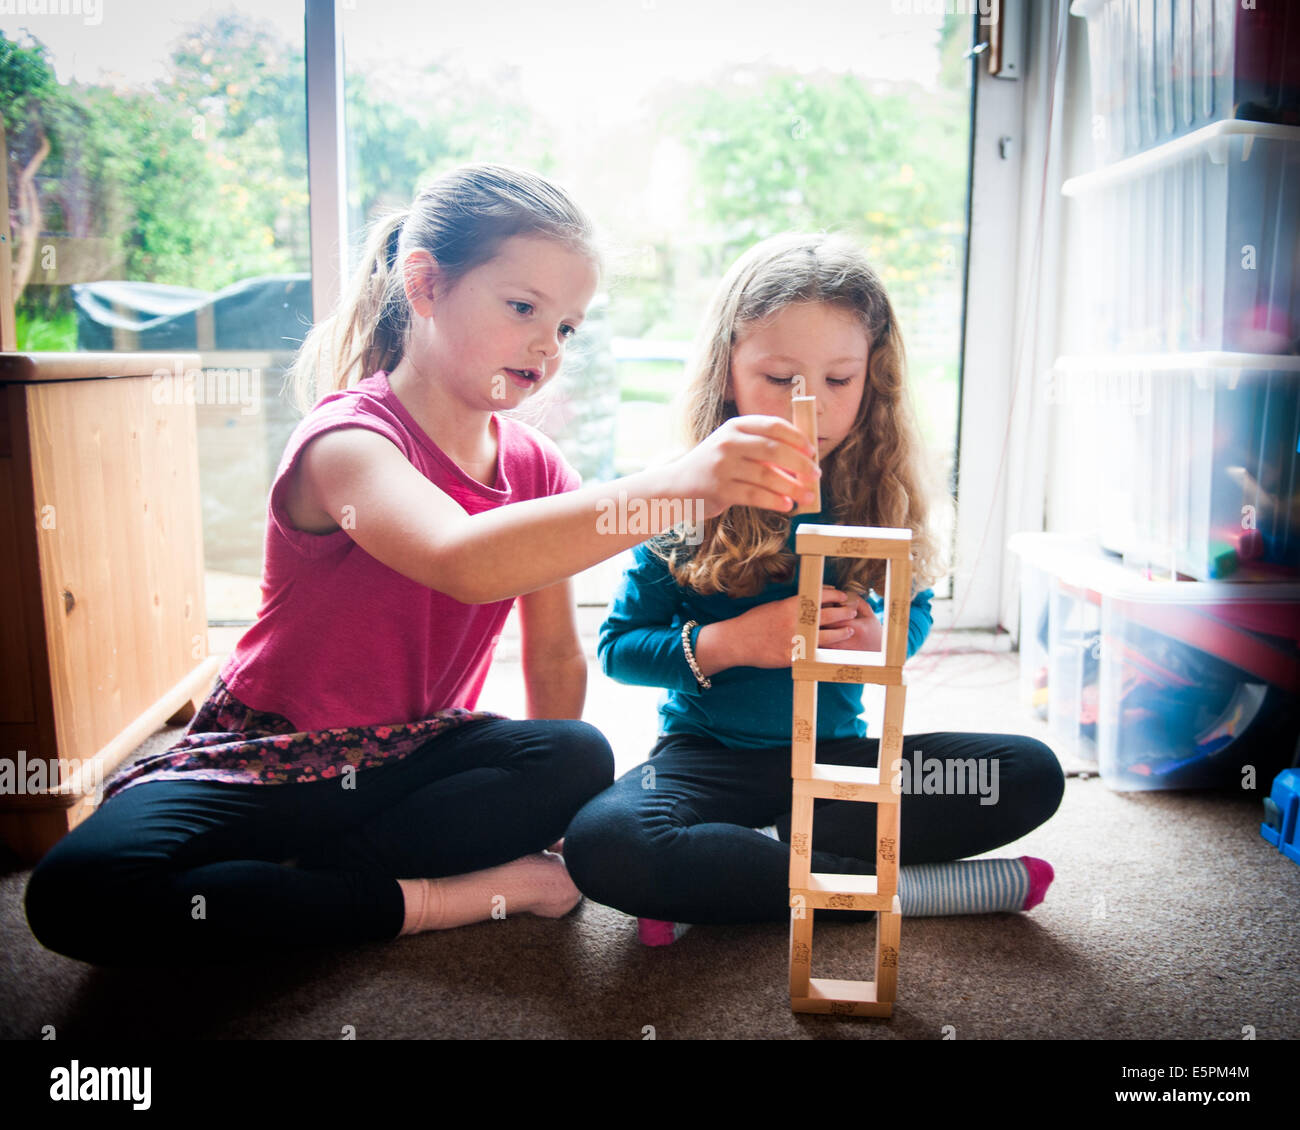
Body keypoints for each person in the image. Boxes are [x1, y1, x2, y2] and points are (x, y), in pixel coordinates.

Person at [22, 165, 821, 966]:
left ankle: (292, 892)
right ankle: (432, 899)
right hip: (266, 759)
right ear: (425, 283)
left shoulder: (537, 468)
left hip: (405, 761)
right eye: (522, 308)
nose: (547, 346)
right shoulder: (348, 442)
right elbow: (461, 558)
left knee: (574, 754)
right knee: (78, 892)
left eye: (568, 328)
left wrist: (552, 814)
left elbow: (552, 652)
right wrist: (676, 488)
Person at [563, 232, 1065, 945]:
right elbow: (618, 648)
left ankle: (755, 871)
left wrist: (878, 638)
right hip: (708, 764)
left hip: (836, 770)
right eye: (779, 378)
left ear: (873, 377)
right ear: (726, 372)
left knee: (1027, 772)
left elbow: (912, 615)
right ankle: (884, 891)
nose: (813, 407)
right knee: (607, 842)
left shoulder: (883, 491)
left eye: (838, 381)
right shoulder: (684, 495)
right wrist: (732, 643)